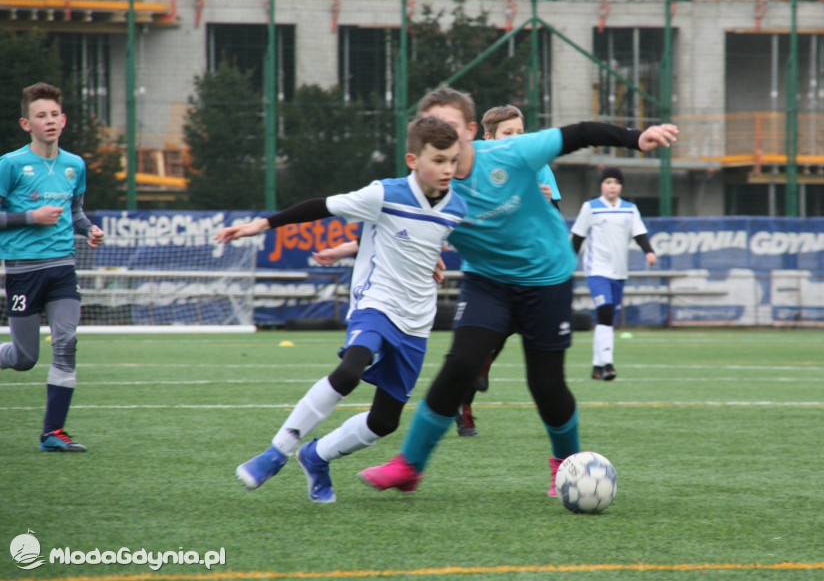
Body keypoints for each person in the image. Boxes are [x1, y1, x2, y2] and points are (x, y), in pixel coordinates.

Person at [358, 87, 677, 496]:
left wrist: (635, 137)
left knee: (545, 383)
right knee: (461, 365)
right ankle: (409, 466)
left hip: (546, 278)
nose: (442, 135)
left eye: (450, 125)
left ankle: (566, 466)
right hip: (486, 281)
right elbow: (397, 222)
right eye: (432, 126)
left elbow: (580, 132)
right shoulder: (426, 181)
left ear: (470, 130)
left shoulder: (511, 153)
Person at [216, 116, 467, 502]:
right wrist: (261, 225)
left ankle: (316, 457)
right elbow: (321, 206)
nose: (448, 169)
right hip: (376, 303)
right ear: (413, 160)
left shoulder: (457, 207)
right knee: (350, 370)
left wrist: (430, 257)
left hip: (418, 321)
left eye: (452, 160)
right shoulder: (384, 193)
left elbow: (422, 237)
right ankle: (276, 452)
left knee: (384, 421)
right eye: (438, 160)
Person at [0, 82, 105, 452]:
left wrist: (89, 230)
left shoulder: (75, 165)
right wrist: (32, 216)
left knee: (66, 342)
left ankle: (52, 434)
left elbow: (75, 213)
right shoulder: (10, 165)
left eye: (54, 114)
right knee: (24, 358)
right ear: (26, 124)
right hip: (23, 272)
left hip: (62, 268)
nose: (49, 120)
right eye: (40, 115)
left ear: (64, 120)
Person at [454, 104, 563, 437]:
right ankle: (464, 403)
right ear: (488, 138)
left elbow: (555, 217)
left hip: (530, 268)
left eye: (520, 132)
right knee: (480, 342)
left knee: (509, 342)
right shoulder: (470, 167)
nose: (516, 139)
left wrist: (547, 203)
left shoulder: (537, 165)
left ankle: (469, 390)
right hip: (487, 270)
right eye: (507, 133)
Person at [570, 166, 657, 381]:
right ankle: (608, 364)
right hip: (597, 270)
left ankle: (597, 366)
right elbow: (578, 237)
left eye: (616, 183)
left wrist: (649, 251)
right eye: (608, 182)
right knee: (606, 311)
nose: (612, 186)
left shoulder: (630, 209)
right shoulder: (591, 207)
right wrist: (568, 262)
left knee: (607, 318)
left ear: (621, 187)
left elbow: (640, 234)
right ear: (602, 185)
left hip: (619, 272)